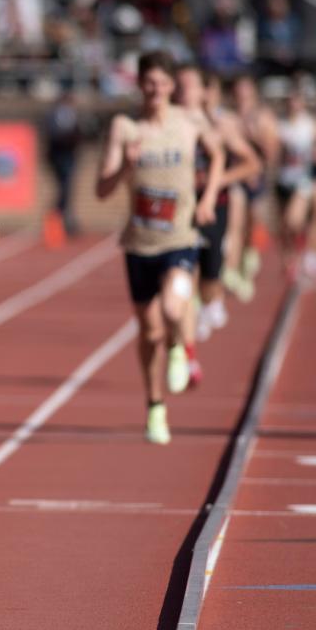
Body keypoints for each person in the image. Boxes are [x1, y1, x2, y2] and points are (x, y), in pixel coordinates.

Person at [95, 50, 223, 445]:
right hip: (139, 244)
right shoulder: (125, 128)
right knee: (148, 331)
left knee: (173, 306)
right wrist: (127, 167)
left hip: (181, 238)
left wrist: (207, 199)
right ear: (140, 85)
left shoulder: (190, 121)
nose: (155, 90)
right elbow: (102, 190)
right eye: (148, 83)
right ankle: (155, 406)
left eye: (162, 83)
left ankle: (181, 347)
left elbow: (217, 155)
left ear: (171, 86)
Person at [173, 65, 260, 364]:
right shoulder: (172, 122)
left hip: (214, 205)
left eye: (198, 88)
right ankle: (186, 346)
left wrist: (216, 180)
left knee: (210, 273)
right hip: (181, 206)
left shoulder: (222, 127)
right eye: (181, 87)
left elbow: (252, 163)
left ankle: (211, 300)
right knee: (183, 270)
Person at [230, 74, 281, 299]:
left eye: (245, 89)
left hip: (257, 178)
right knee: (235, 224)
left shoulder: (263, 117)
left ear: (252, 91)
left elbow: (271, 151)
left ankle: (248, 260)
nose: (242, 93)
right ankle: (234, 269)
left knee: (252, 224)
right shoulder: (229, 116)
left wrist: (254, 137)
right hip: (236, 179)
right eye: (238, 89)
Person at [274, 85, 316, 280]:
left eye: (296, 100)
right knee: (285, 226)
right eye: (290, 101)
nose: (293, 104)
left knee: (294, 220)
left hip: (304, 180)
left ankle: (307, 253)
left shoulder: (309, 125)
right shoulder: (280, 125)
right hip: (283, 180)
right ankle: (290, 256)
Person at [45, 90, 82, 237]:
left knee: (67, 190)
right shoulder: (55, 115)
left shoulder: (73, 115)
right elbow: (53, 135)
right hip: (59, 158)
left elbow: (79, 134)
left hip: (70, 157)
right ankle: (58, 219)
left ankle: (64, 220)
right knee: (64, 189)